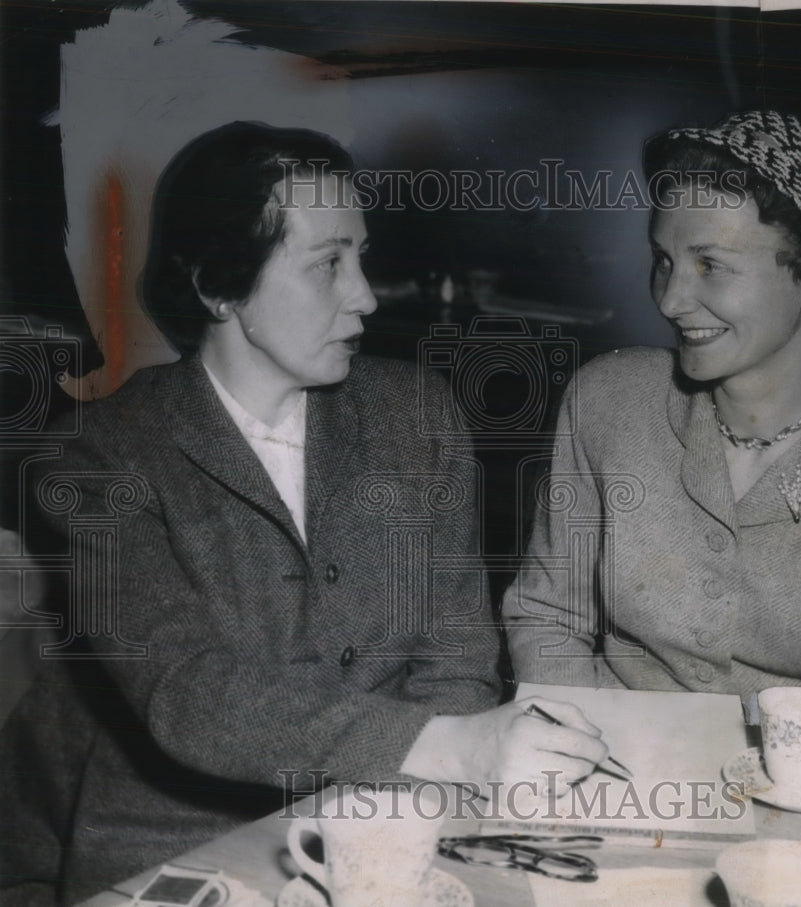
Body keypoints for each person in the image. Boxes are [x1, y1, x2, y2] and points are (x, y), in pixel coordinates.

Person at [0, 121, 606, 905]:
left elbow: (454, 659)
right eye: (327, 264)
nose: (363, 293)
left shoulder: (415, 413)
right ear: (221, 286)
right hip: (167, 842)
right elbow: (189, 692)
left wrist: (396, 828)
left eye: (360, 256)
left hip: (375, 816)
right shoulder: (97, 456)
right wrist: (450, 746)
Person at [502, 110, 801, 812]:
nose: (670, 298)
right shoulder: (607, 401)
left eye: (711, 266)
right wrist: (599, 751)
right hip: (605, 783)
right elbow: (547, 616)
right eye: (663, 259)